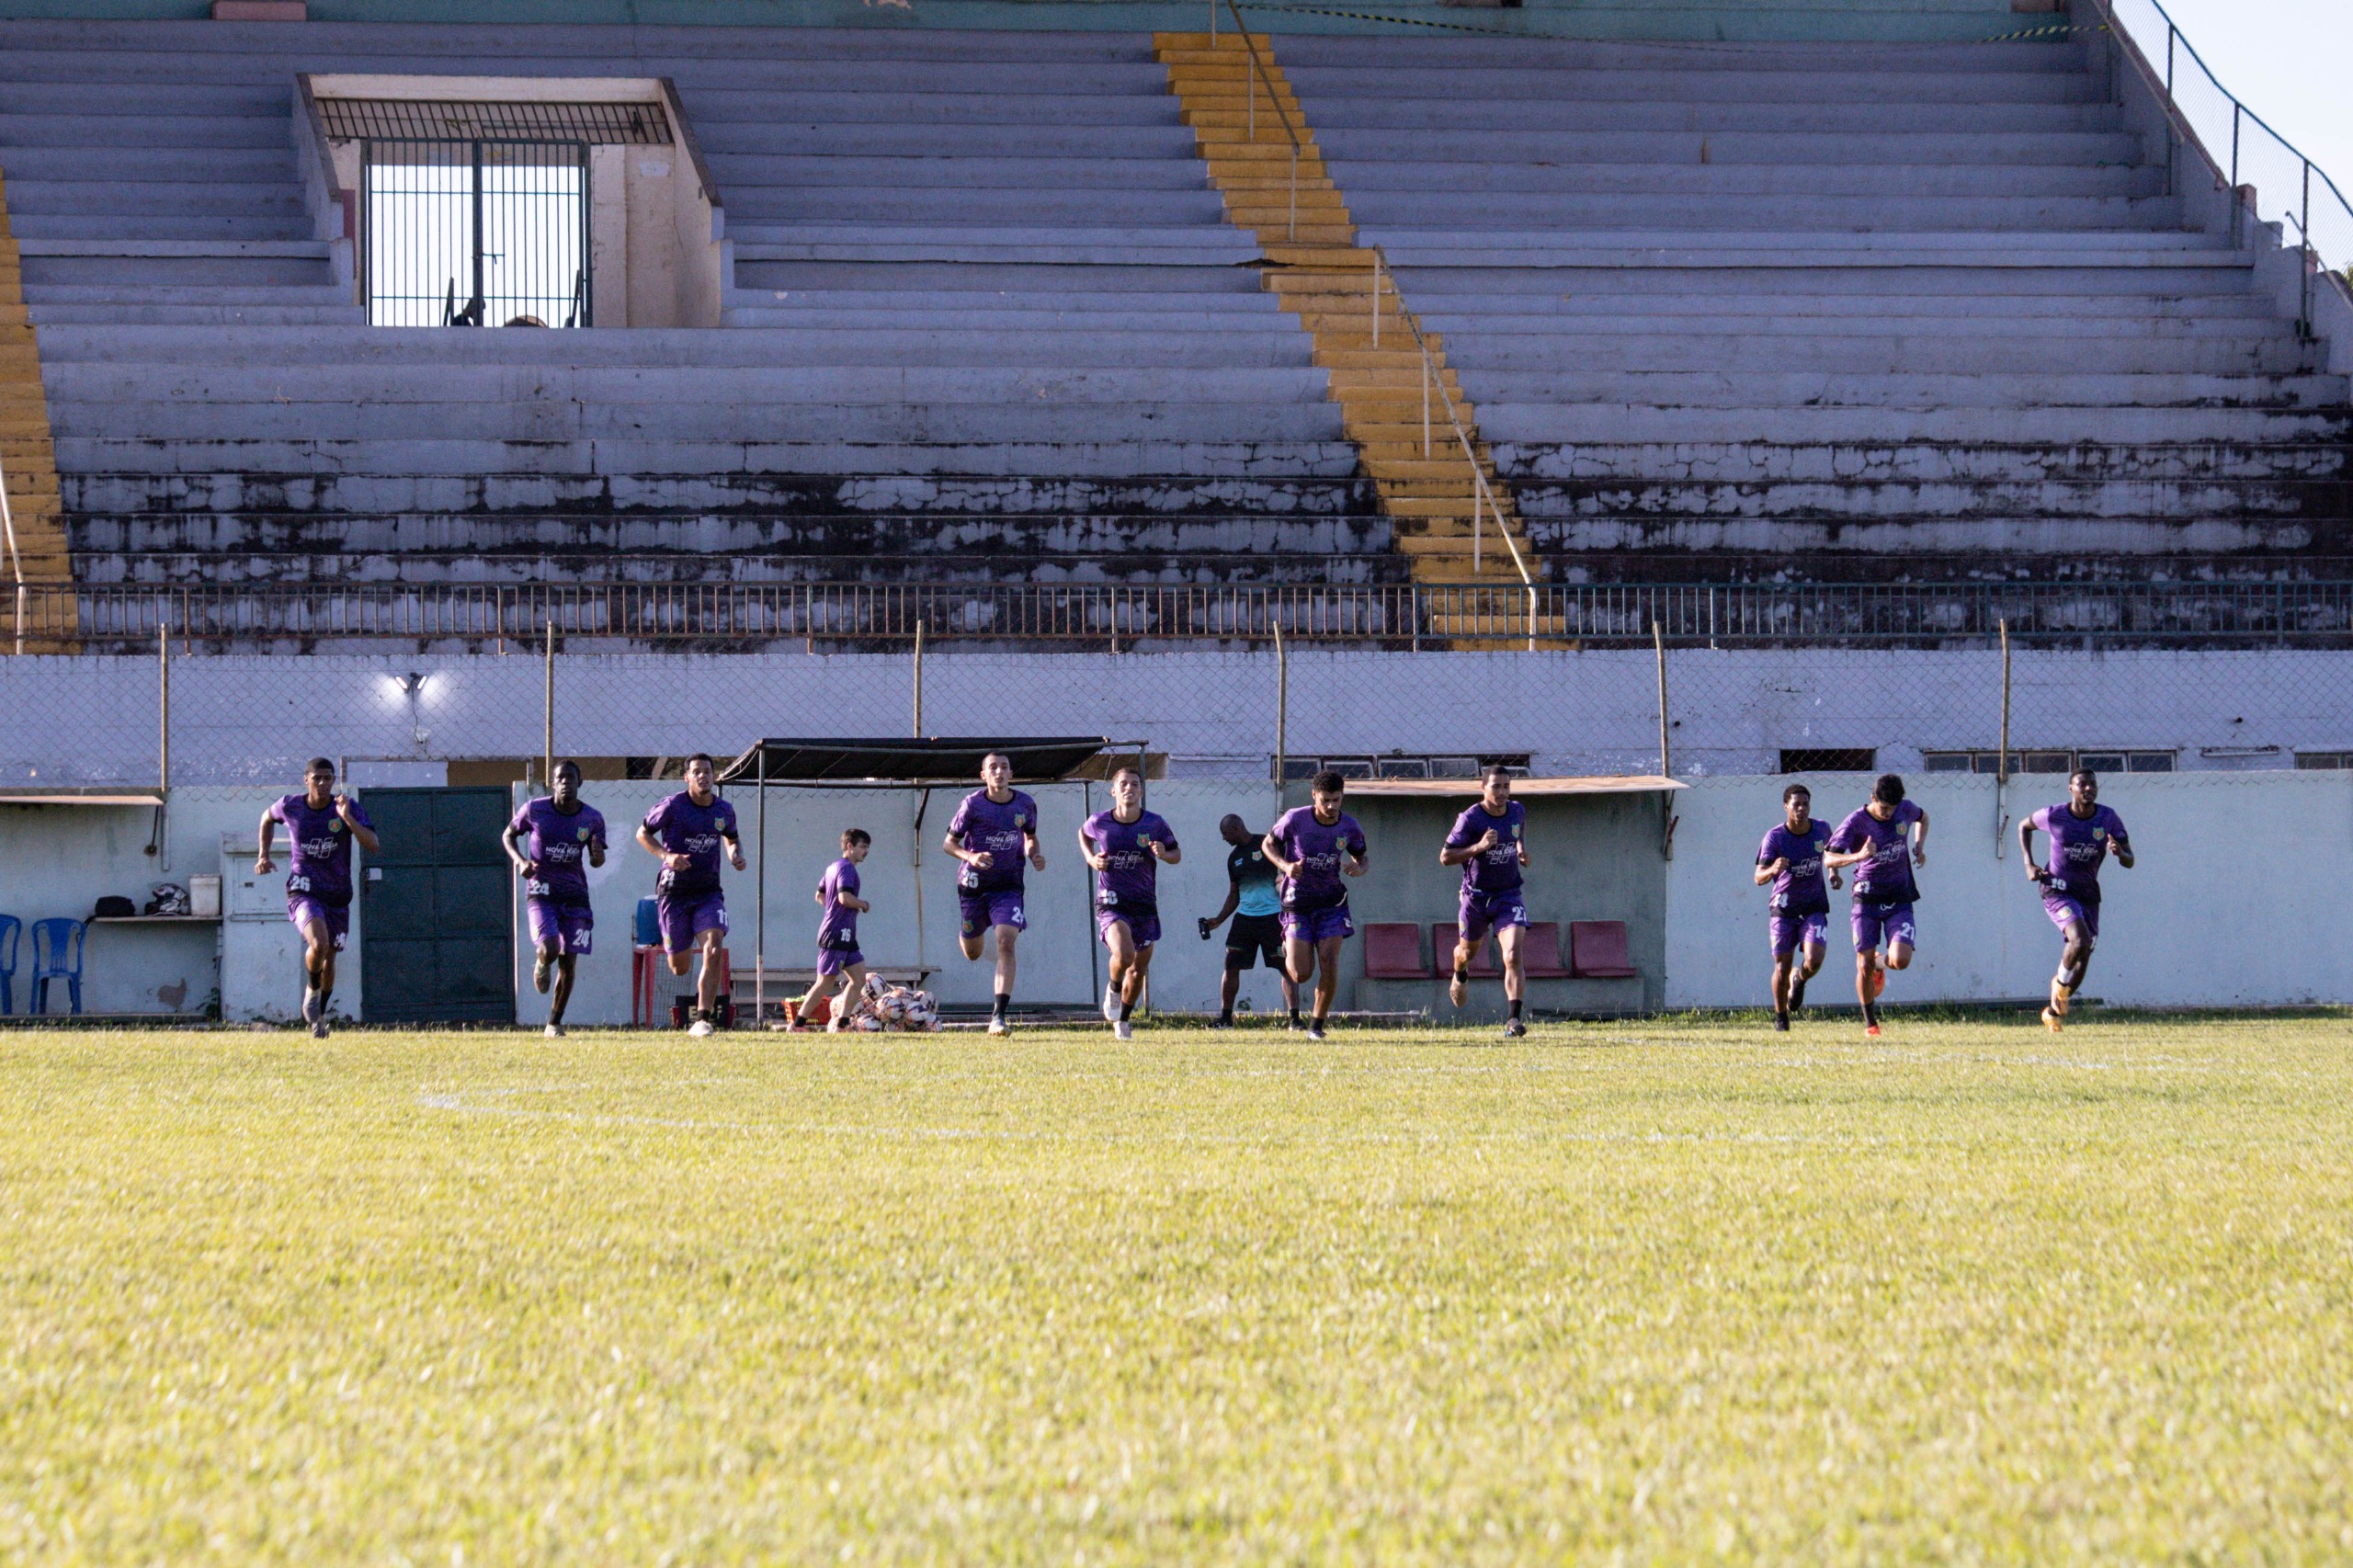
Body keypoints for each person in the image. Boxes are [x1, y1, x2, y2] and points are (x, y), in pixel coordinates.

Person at [254, 756, 379, 1040]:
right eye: (317, 778)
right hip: (303, 888)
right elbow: (267, 817)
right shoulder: (291, 806)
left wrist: (347, 819)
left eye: (328, 779)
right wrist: (263, 855)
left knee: (330, 957)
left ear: (334, 781)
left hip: (337, 892)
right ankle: (311, 990)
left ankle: (319, 1017)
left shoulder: (346, 808)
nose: (323, 784)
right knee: (319, 943)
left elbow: (373, 845)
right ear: (306, 780)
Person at [634, 754, 743, 1038]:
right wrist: (667, 856)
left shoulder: (724, 811)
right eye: (697, 772)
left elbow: (731, 837)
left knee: (714, 947)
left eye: (707, 771)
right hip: (674, 893)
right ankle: (678, 951)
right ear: (687, 778)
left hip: (708, 892)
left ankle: (702, 1019)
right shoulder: (672, 806)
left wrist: (735, 854)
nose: (703, 776)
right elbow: (642, 834)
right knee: (679, 967)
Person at [2020, 768, 2133, 1032]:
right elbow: (2023, 826)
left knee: (2085, 954)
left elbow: (2130, 860)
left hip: (2088, 894)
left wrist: (2120, 854)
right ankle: (2059, 986)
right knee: (2079, 939)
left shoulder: (2108, 818)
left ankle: (2052, 1012)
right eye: (2081, 784)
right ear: (2070, 788)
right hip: (2057, 890)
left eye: (2092, 784)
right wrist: (2029, 864)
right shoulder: (2055, 815)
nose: (2088, 789)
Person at [502, 758, 607, 1038]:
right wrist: (521, 861)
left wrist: (597, 856)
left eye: (571, 778)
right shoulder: (535, 810)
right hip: (541, 891)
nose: (565, 783)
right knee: (549, 948)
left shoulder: (592, 818)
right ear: (553, 783)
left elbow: (597, 860)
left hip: (575, 895)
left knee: (569, 960)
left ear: (580, 782)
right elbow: (508, 835)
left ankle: (554, 1022)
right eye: (560, 778)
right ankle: (541, 962)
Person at [943, 752, 1044, 1038]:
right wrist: (970, 856)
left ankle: (999, 1016)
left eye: (1004, 767)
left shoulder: (1025, 804)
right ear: (983, 775)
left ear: (1011, 773)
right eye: (993, 768)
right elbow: (949, 844)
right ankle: (968, 933)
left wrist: (1033, 853)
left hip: (1008, 886)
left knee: (1005, 942)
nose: (998, 772)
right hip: (973, 886)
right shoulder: (973, 805)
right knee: (973, 952)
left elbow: (1030, 836)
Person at [1263, 770, 1370, 1041]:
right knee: (1300, 974)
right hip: (1297, 904)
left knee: (1330, 962)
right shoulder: (1295, 819)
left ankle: (1316, 1026)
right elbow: (1268, 844)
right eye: (1326, 800)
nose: (1332, 806)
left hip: (1332, 904)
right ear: (1314, 796)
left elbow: (1362, 857)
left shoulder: (1350, 826)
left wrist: (1359, 868)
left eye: (1337, 800)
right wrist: (1286, 866)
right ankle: (1290, 943)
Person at [1079, 765, 1180, 1041]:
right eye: (1123, 784)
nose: (1129, 788)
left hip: (1144, 903)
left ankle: (1123, 1020)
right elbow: (1083, 834)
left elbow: (1176, 853)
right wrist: (1091, 858)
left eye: (1134, 784)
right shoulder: (1100, 821)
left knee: (1138, 970)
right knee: (1125, 956)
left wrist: (1163, 853)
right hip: (1111, 902)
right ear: (1114, 790)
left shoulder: (1154, 824)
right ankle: (1113, 989)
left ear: (1141, 791)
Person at [1824, 773, 1928, 1039]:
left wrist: (1918, 845)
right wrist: (1858, 856)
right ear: (1873, 798)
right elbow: (1828, 858)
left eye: (1892, 810)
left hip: (1899, 896)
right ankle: (1871, 1024)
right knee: (1863, 964)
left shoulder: (1904, 809)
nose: (1887, 814)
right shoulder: (1856, 822)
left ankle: (1881, 964)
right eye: (1883, 808)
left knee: (1901, 960)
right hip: (1866, 899)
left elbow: (1923, 818)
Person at [1440, 766, 1532, 1038]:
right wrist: (1478, 848)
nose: (1502, 792)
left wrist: (1520, 849)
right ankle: (1460, 973)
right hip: (1476, 898)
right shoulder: (1470, 819)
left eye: (1506, 786)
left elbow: (1518, 830)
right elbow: (1445, 857)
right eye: (1496, 787)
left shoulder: (1517, 810)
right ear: (1483, 788)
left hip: (1508, 894)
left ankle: (1513, 1020)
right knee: (1467, 953)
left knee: (1513, 954)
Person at [1199, 813, 1299, 1028]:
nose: (1224, 838)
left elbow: (1288, 872)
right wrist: (1219, 919)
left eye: (1225, 834)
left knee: (1286, 967)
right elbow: (1234, 893)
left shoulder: (1267, 845)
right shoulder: (1233, 859)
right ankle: (1225, 1019)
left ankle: (1295, 1020)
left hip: (1273, 918)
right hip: (1245, 919)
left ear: (1236, 828)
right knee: (1231, 965)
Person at [1754, 783, 1838, 1032]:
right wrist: (1772, 869)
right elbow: (1758, 877)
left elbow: (1831, 855)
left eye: (1805, 804)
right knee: (1781, 965)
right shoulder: (1775, 837)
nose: (1801, 809)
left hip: (1813, 906)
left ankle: (1799, 978)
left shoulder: (1822, 829)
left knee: (1814, 960)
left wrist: (1833, 873)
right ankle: (1781, 1017)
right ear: (1786, 807)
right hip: (1784, 909)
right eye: (1796, 804)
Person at [790, 829, 872, 1034]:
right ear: (849, 846)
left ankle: (842, 1026)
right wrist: (863, 904)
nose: (866, 851)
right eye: (863, 847)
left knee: (859, 979)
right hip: (836, 933)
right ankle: (797, 1025)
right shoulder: (847, 869)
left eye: (868, 847)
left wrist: (832, 908)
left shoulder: (832, 867)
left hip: (847, 934)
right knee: (825, 982)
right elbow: (845, 898)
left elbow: (819, 895)